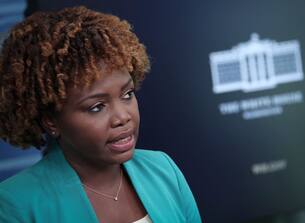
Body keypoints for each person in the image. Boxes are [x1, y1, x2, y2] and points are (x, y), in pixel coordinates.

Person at [0, 6, 201, 223]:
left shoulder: (163, 169)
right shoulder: (15, 204)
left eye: (127, 94)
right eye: (96, 107)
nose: (122, 117)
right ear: (51, 121)